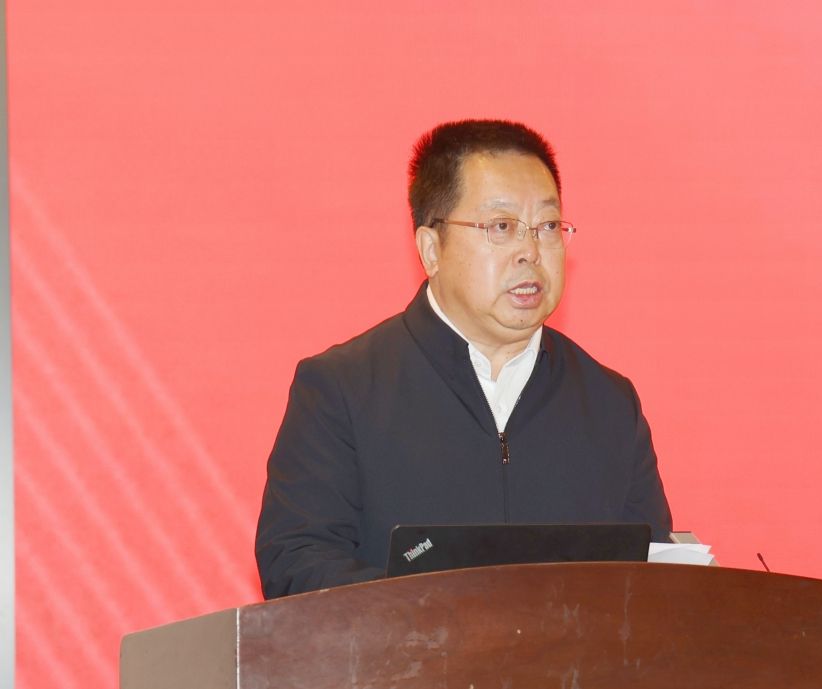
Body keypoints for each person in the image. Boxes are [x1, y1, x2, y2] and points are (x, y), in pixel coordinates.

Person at [255, 120, 671, 599]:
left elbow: (656, 579)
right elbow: (297, 565)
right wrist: (442, 615)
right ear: (431, 249)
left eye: (547, 227)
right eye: (501, 227)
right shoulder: (342, 391)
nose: (530, 252)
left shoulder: (609, 404)